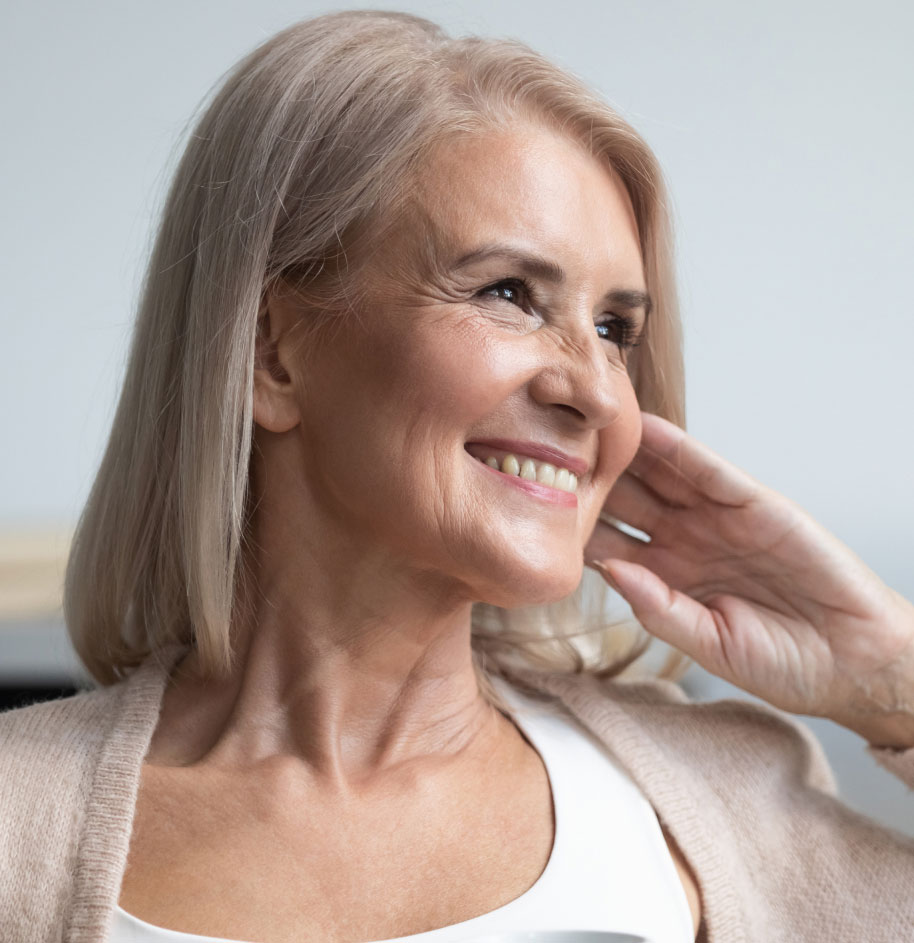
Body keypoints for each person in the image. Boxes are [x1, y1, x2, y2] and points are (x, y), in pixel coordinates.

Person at [2, 9, 913, 943]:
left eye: (615, 329)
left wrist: (891, 672)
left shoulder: (729, 802)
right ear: (272, 352)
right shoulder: (14, 827)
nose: (599, 393)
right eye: (508, 293)